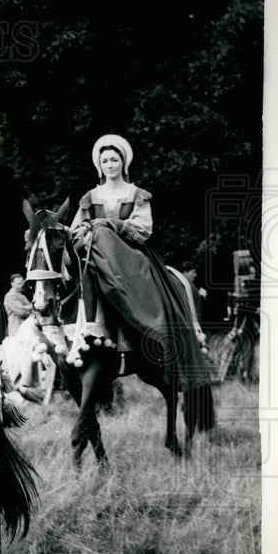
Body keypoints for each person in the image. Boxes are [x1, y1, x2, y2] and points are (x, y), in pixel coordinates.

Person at [68, 134, 213, 395]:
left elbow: (142, 229)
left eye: (114, 160)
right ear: (99, 165)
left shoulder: (136, 195)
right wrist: (86, 232)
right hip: (98, 257)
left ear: (123, 163)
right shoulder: (90, 196)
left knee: (106, 236)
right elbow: (75, 230)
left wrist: (111, 224)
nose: (109, 165)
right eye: (105, 161)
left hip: (131, 255)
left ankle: (153, 331)